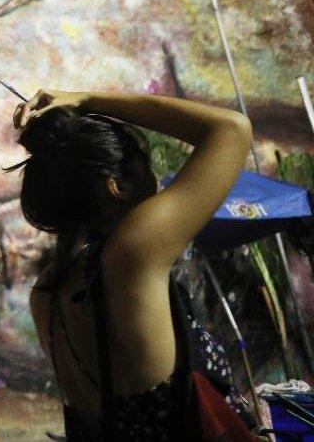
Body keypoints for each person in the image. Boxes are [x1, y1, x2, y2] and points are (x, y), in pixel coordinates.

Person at [13, 89, 254, 440]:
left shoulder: (47, 292)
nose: (157, 180)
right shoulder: (131, 253)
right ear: (118, 186)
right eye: (147, 169)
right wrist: (87, 99)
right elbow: (231, 129)